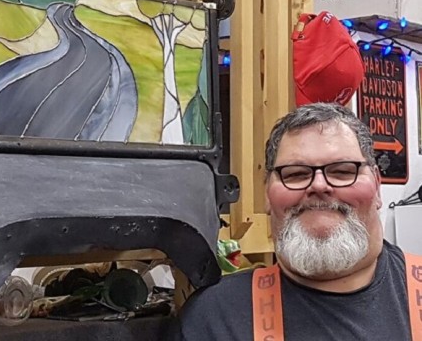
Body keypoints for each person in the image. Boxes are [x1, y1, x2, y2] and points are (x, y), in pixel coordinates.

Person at [175, 102, 417, 340]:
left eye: (342, 171)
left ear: (376, 186)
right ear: (266, 193)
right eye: (296, 174)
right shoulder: (214, 320)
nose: (319, 185)